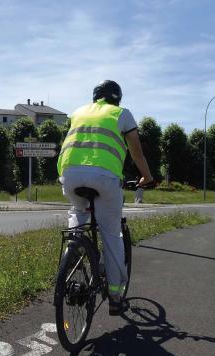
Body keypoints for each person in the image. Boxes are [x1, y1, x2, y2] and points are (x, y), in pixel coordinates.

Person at [57, 80, 153, 315]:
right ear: (117, 98)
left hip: (69, 175)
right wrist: (147, 177)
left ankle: (74, 247)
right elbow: (136, 151)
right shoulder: (122, 114)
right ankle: (115, 295)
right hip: (104, 178)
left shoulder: (78, 112)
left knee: (79, 212)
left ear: (95, 97)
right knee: (112, 234)